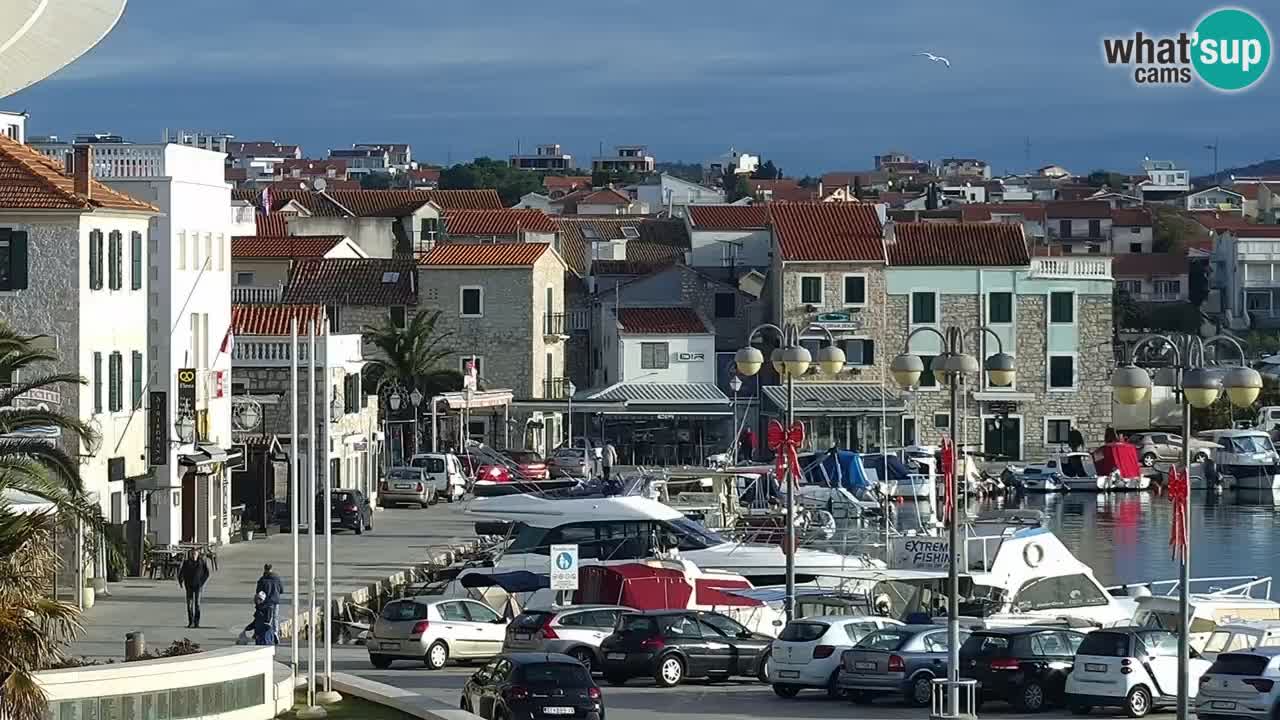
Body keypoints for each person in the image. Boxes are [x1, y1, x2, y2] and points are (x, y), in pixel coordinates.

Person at [177, 548, 210, 628]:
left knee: (197, 604)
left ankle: (196, 622)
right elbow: (181, 573)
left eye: (195, 554)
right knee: (189, 605)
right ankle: (190, 622)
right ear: (190, 555)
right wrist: (181, 582)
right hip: (189, 586)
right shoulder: (186, 563)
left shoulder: (201, 562)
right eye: (192, 554)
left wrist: (202, 582)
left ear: (198, 554)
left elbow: (207, 573)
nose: (194, 555)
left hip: (198, 586)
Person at [255, 563, 284, 636]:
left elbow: (258, 592)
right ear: (271, 569)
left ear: (264, 569)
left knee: (267, 618)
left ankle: (268, 633)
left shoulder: (262, 579)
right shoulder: (277, 578)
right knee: (275, 617)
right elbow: (281, 590)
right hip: (275, 601)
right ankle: (275, 632)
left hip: (267, 602)